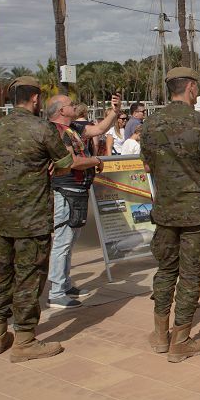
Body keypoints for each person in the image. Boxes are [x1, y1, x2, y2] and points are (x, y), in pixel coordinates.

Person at [140, 67, 200, 363]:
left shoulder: (151, 123)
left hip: (165, 210)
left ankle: (160, 335)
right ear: (191, 88)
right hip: (196, 213)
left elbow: (147, 166)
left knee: (166, 270)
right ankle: (181, 340)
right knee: (190, 275)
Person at [0, 76, 76, 362]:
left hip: (0, 215)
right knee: (29, 275)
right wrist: (52, 166)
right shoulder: (42, 128)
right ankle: (24, 339)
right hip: (31, 216)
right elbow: (66, 164)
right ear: (36, 99)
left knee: (2, 273)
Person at [44, 93, 118, 309]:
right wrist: (95, 160)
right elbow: (73, 162)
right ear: (61, 110)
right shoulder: (56, 132)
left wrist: (114, 111)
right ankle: (57, 291)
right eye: (71, 104)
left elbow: (99, 129)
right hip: (66, 190)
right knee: (63, 242)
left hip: (77, 190)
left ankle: (65, 285)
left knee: (70, 240)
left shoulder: (73, 128)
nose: (74, 106)